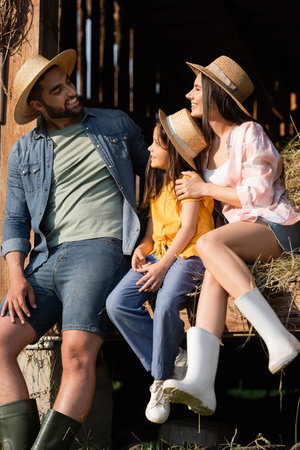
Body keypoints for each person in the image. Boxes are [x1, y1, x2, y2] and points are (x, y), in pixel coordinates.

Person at [0, 49, 149, 449]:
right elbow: (15, 220)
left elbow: (156, 180)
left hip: (100, 249)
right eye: (57, 90)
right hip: (46, 259)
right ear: (37, 104)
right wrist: (16, 275)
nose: (70, 91)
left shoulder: (114, 124)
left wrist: (151, 235)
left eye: (67, 82)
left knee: (75, 352)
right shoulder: (24, 151)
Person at [162, 55, 300, 416]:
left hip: (277, 225)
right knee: (212, 272)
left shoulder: (249, 133)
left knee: (210, 244)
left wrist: (204, 188)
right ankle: (202, 382)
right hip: (243, 234)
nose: (189, 94)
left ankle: (278, 336)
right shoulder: (207, 150)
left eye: (196, 88)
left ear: (216, 94)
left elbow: (259, 195)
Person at [106, 108, 214, 424]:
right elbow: (154, 230)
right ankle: (171, 356)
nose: (150, 149)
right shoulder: (158, 184)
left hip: (189, 256)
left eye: (156, 143)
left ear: (176, 150)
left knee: (166, 302)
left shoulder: (188, 182)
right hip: (161, 254)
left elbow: (189, 228)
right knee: (117, 303)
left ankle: (160, 381)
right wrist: (142, 248)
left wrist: (164, 265)